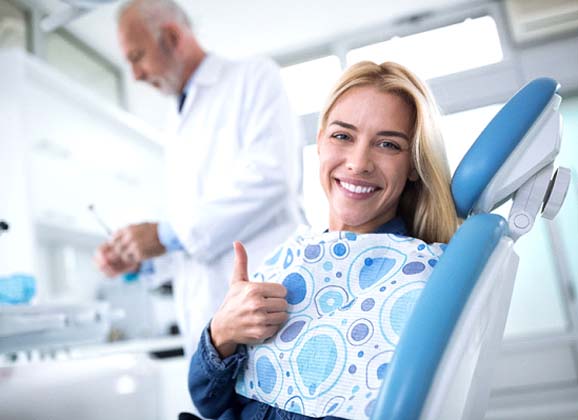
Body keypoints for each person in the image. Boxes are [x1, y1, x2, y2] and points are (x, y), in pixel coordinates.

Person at [186, 60, 459, 419]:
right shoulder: (288, 261)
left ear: (412, 164)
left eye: (388, 145)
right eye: (343, 136)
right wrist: (222, 334)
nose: (359, 163)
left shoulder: (417, 279)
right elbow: (208, 402)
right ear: (319, 143)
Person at [94, 0, 304, 358]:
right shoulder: (176, 122)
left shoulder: (253, 77)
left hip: (265, 313)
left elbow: (271, 178)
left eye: (137, 56)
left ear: (172, 37)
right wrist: (141, 256)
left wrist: (161, 235)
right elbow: (193, 233)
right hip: (209, 330)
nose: (136, 75)